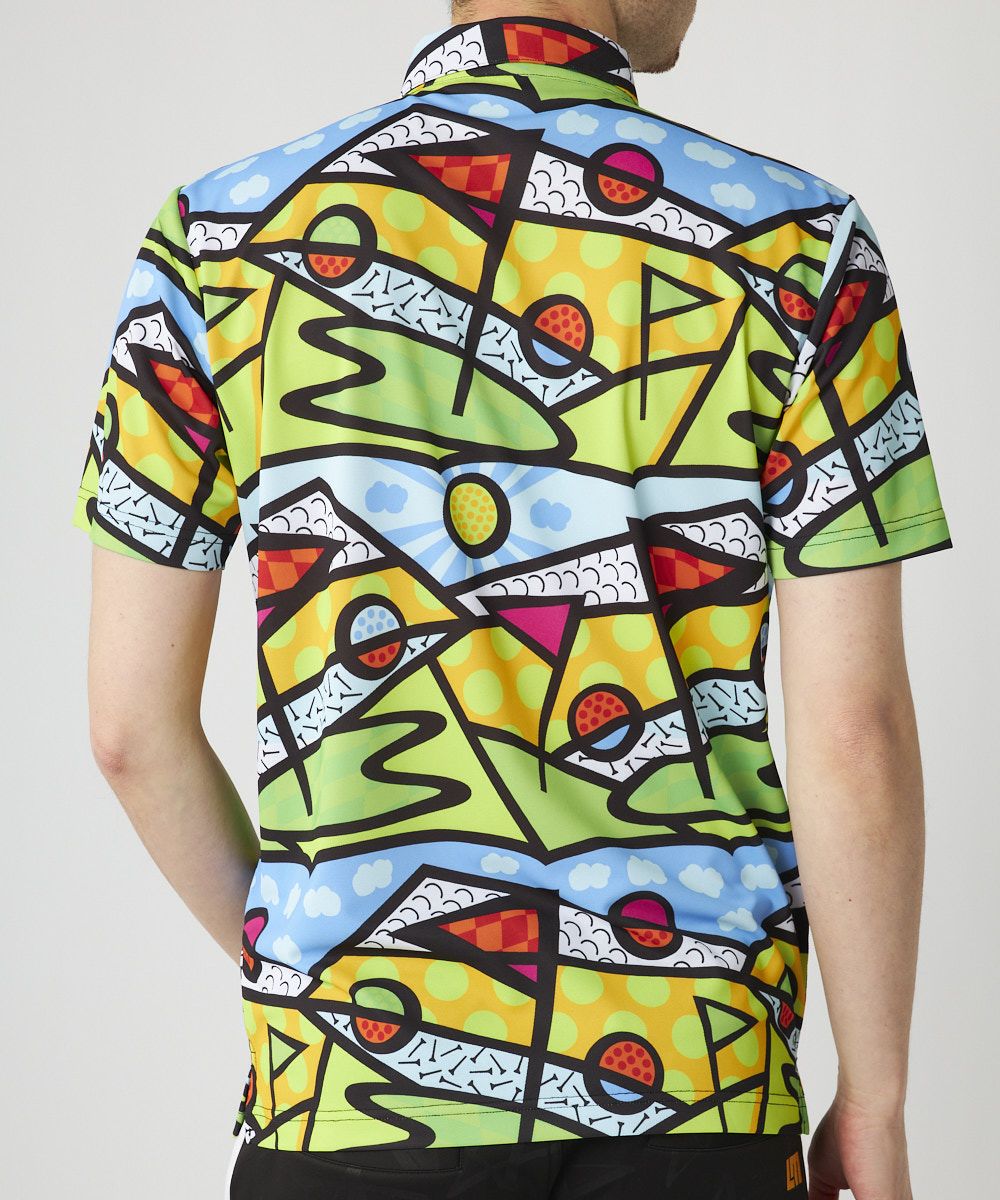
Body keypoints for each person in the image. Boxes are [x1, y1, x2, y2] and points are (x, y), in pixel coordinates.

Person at [70, 1, 953, 1196]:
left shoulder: (215, 243)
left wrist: (327, 988)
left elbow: (128, 732)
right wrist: (879, 1102)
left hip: (345, 1097)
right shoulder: (800, 245)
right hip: (697, 1090)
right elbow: (855, 734)